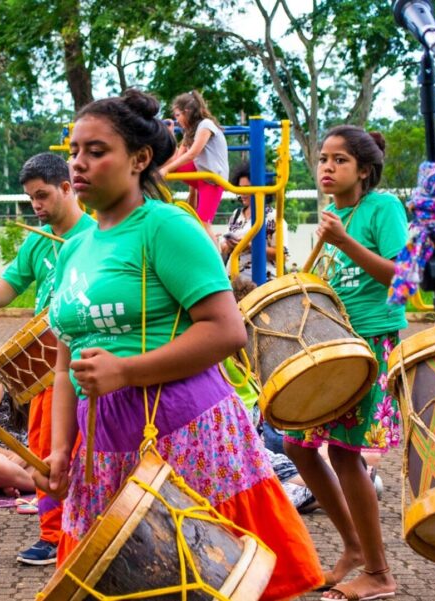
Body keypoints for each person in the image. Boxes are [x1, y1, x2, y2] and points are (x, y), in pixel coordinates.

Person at [37, 89, 322, 601]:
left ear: (140, 159)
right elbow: (64, 363)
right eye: (75, 150)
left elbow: (226, 329)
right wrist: (60, 448)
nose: (78, 163)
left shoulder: (167, 227)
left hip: (182, 432)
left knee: (209, 580)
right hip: (101, 445)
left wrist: (126, 372)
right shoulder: (75, 246)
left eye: (97, 151)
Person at [280, 125, 405, 600]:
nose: (327, 168)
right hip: (334, 343)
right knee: (297, 445)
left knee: (346, 454)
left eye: (340, 160)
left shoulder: (382, 208)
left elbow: (404, 277)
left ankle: (380, 572)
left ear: (364, 170)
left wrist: (346, 243)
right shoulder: (332, 214)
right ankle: (353, 549)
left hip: (370, 343)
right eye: (323, 159)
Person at [0, 151, 96, 566]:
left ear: (67, 188)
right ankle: (52, 535)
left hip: (85, 358)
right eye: (31, 200)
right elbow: (12, 282)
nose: (37, 206)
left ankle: (85, 531)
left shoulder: (96, 236)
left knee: (89, 450)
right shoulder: (37, 239)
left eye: (42, 196)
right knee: (44, 449)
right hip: (44, 364)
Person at [158, 90, 229, 223]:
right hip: (200, 174)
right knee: (172, 165)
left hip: (212, 180)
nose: (177, 119)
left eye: (178, 115)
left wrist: (166, 170)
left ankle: (213, 245)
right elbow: (176, 159)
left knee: (203, 223)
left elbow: (192, 154)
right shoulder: (189, 131)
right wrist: (170, 135)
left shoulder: (206, 125)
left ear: (187, 111)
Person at [221, 161, 285, 282]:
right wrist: (228, 245)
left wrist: (250, 246)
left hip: (263, 281)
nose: (242, 193)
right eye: (240, 188)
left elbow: (282, 254)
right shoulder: (236, 215)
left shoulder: (272, 216)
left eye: (247, 188)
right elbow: (224, 248)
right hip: (234, 278)